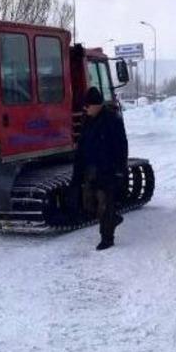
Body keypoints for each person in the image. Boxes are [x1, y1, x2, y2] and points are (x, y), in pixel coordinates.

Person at [73, 87, 129, 250]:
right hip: (91, 169)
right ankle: (113, 218)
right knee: (88, 204)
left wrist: (120, 170)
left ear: (96, 105)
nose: (85, 108)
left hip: (108, 170)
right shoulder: (87, 121)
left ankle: (107, 238)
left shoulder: (112, 120)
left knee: (105, 205)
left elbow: (121, 146)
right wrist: (77, 174)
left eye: (87, 105)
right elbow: (81, 148)